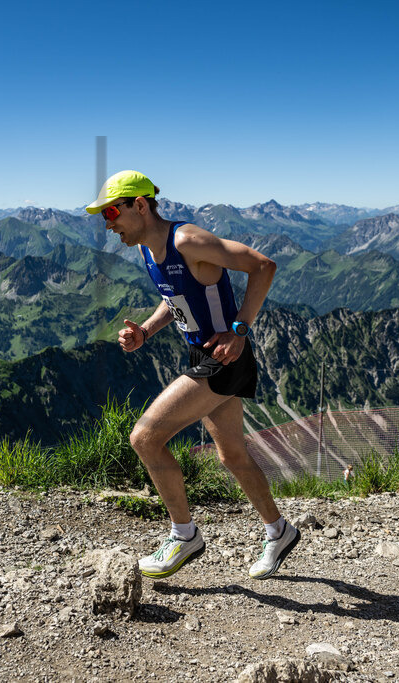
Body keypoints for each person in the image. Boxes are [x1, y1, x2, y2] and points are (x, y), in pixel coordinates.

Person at [85, 170, 300, 580]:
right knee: (231, 454)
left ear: (141, 205)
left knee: (144, 437)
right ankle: (279, 531)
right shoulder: (149, 250)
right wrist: (145, 331)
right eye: (103, 216)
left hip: (224, 357)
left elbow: (263, 266)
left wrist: (239, 329)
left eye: (112, 211)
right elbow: (177, 299)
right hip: (205, 353)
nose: (107, 223)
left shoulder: (185, 239)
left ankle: (184, 536)